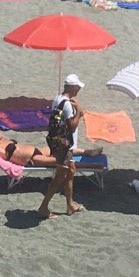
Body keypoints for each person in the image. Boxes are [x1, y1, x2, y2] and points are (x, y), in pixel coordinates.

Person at [40, 76, 85, 218]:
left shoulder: (57, 99)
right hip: (64, 145)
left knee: (71, 172)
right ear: (72, 87)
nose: (78, 90)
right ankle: (43, 207)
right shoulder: (66, 104)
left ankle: (70, 204)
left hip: (62, 143)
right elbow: (72, 126)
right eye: (77, 87)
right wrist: (79, 112)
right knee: (60, 176)